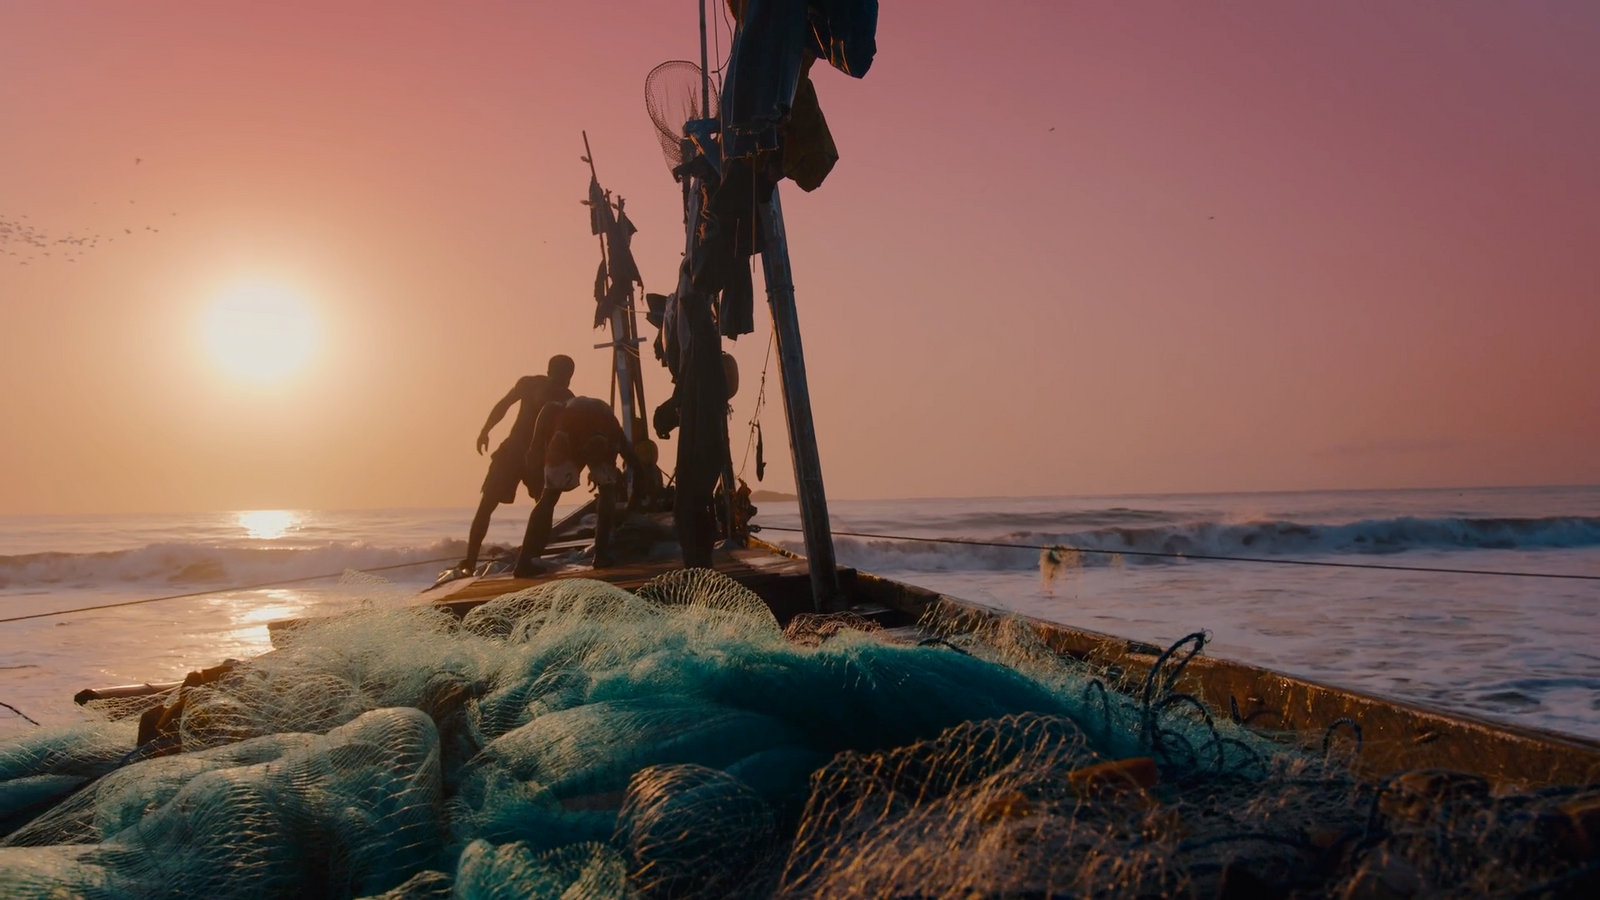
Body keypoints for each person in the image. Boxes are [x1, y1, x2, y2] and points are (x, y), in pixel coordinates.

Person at [459, 355, 575, 573]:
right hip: (511, 452)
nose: (564, 382)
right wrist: (485, 430)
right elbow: (503, 405)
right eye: (561, 376)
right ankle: (470, 561)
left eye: (567, 377)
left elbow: (569, 435)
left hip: (539, 459)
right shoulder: (529, 384)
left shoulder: (567, 398)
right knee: (487, 503)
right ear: (549, 372)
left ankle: (533, 559)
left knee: (544, 504)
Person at [512, 396, 643, 578]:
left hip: (583, 435)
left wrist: (633, 497)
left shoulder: (611, 434)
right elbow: (549, 406)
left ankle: (526, 561)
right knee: (559, 494)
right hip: (571, 433)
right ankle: (600, 556)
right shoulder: (605, 431)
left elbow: (549, 407)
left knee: (555, 495)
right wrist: (535, 444)